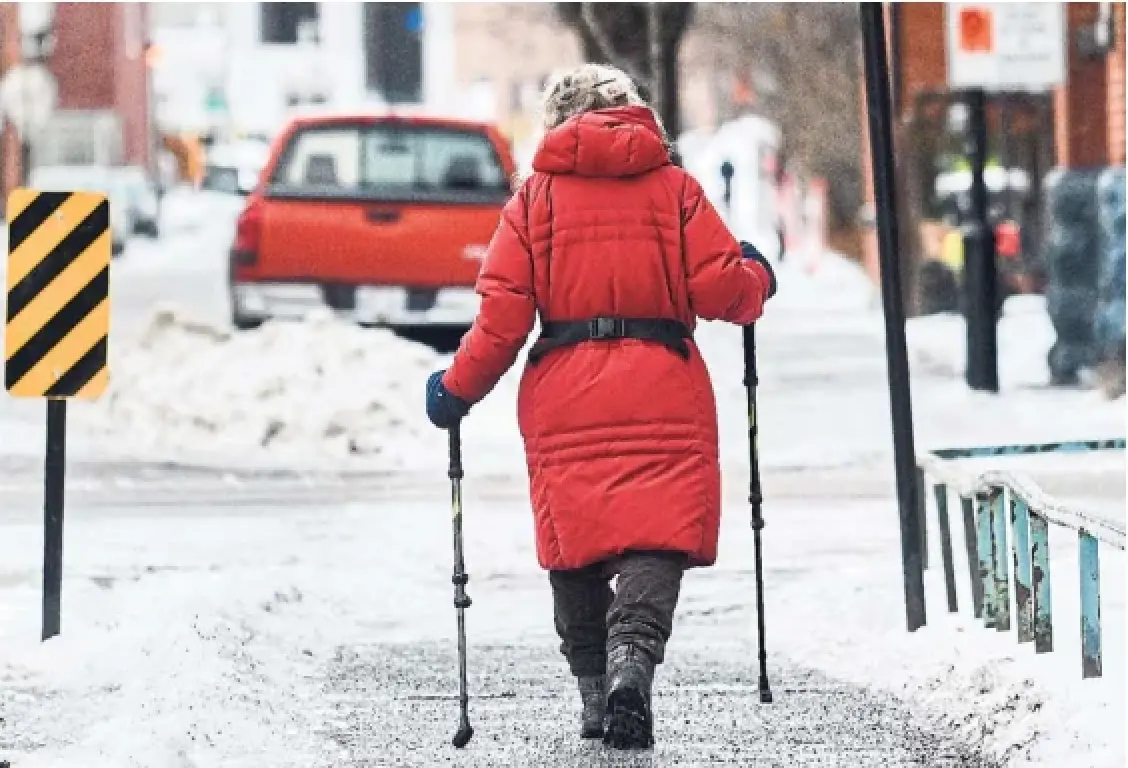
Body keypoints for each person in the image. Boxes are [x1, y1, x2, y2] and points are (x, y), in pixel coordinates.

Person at [424, 63, 776, 750]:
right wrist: (757, 274)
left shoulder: (533, 205)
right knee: (657, 537)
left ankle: (593, 694)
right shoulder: (675, 190)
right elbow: (722, 293)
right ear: (632, 112)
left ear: (558, 119)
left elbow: (500, 324)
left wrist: (454, 390)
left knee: (576, 549)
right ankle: (631, 667)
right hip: (662, 385)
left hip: (565, 390)